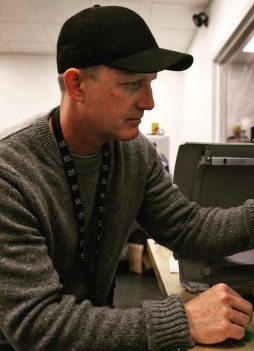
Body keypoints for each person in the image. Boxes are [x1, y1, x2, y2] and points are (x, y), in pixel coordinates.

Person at [0, 5, 253, 351]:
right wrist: (184, 320)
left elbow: (185, 227)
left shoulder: (134, 153)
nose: (149, 102)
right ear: (76, 84)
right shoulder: (10, 173)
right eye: (132, 83)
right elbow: (36, 323)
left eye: (150, 83)